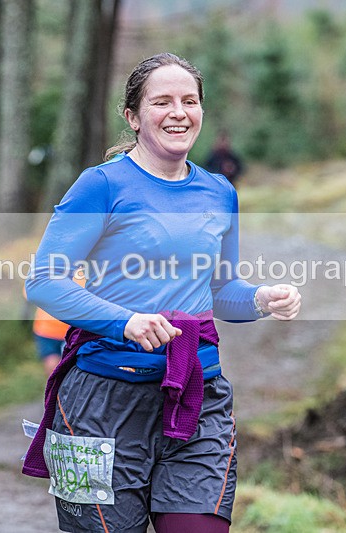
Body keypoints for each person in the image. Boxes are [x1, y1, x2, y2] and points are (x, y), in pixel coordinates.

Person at [22, 52, 301, 533]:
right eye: (162, 101)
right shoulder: (101, 185)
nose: (179, 112)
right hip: (101, 403)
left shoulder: (219, 192)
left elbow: (220, 290)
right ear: (132, 116)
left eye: (189, 101)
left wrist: (258, 298)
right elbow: (44, 280)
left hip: (197, 394)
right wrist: (124, 321)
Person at [31, 269, 85, 375]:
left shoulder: (46, 267)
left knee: (60, 371)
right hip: (53, 330)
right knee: (59, 370)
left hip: (65, 330)